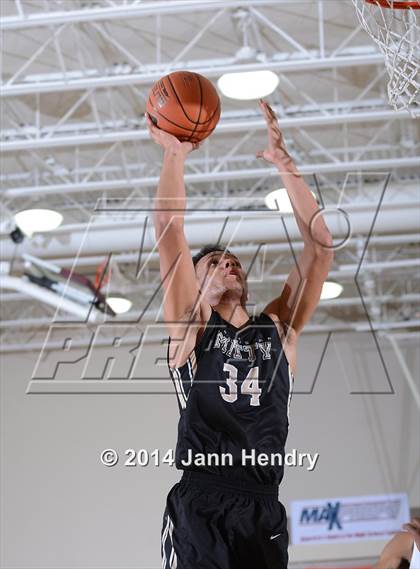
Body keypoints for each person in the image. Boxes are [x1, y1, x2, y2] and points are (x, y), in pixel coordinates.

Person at [147, 99, 333, 569]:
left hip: (263, 502)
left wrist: (287, 169)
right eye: (214, 263)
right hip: (202, 503)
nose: (229, 264)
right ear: (196, 284)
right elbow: (169, 227)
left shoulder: (277, 328)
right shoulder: (191, 328)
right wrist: (175, 153)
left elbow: (320, 247)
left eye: (233, 261)